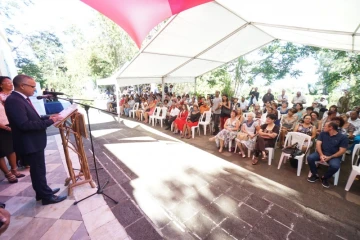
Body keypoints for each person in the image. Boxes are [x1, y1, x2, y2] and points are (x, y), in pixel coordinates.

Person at [4, 75, 66, 205]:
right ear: (22, 86)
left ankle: (42, 192)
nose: (34, 89)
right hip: (29, 142)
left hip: (33, 141)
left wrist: (48, 117)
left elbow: (33, 118)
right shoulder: (14, 100)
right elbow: (24, 125)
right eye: (32, 87)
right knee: (38, 170)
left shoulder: (21, 99)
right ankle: (46, 197)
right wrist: (50, 121)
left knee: (38, 169)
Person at [307, 122, 348, 188]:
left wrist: (330, 157)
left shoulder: (343, 137)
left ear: (331, 127)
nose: (323, 127)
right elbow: (318, 144)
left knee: (335, 166)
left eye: (325, 126)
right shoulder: (323, 133)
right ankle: (315, 174)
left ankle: (325, 177)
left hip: (334, 156)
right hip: (321, 153)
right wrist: (321, 154)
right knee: (310, 158)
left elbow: (342, 151)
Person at [0, 76, 25, 183]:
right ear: (1, 85)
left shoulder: (13, 96)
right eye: (7, 82)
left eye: (11, 82)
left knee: (11, 149)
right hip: (2, 127)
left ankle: (14, 170)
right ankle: (8, 174)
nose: (10, 84)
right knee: (0, 152)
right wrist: (5, 127)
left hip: (10, 125)